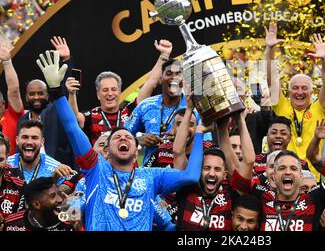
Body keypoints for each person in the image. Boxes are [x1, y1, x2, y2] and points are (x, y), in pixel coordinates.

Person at [36, 49, 203, 231]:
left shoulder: (151, 177)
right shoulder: (94, 171)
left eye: (128, 137)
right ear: (106, 150)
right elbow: (72, 128)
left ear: (135, 149)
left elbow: (191, 176)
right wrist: (56, 92)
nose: (123, 136)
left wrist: (200, 131)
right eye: (116, 137)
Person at [236, 114, 325, 231]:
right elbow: (243, 165)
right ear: (273, 176)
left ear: (301, 175)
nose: (288, 172)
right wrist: (236, 122)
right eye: (281, 168)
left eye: (293, 168)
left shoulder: (314, 200)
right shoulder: (262, 195)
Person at [66, 39, 173, 146]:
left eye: (114, 89)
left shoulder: (130, 111)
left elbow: (150, 83)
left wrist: (164, 56)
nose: (110, 93)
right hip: (102, 162)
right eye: (105, 90)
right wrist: (71, 93)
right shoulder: (91, 116)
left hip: (129, 162)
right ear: (98, 95)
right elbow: (74, 119)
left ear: (120, 92)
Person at [265, 22, 325, 180]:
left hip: (310, 178)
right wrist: (269, 49)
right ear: (289, 92)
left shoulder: (319, 108)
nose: (299, 92)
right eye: (295, 88)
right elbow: (270, 79)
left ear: (311, 92)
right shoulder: (282, 105)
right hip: (284, 174)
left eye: (304, 88)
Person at [126, 57, 212, 165]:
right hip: (152, 172)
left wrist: (184, 139)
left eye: (178, 74)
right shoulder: (145, 106)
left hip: (184, 170)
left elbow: (207, 144)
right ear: (161, 79)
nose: (174, 77)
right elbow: (121, 136)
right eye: (169, 73)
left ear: (184, 79)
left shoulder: (196, 107)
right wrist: (138, 140)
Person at [18, 37, 74, 167]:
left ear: (48, 95)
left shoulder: (56, 110)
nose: (36, 97)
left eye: (40, 93)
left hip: (58, 173)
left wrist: (66, 60)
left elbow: (66, 91)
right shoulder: (22, 121)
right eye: (32, 94)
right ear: (26, 97)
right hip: (30, 175)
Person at [3, 176, 75, 231]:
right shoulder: (11, 224)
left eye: (59, 194)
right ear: (36, 205)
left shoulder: (70, 222)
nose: (60, 199)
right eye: (52, 196)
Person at [0, 43, 24, 152]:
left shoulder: (12, 115)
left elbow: (14, 90)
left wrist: (7, 62)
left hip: (11, 168)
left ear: (3, 104)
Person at [0, 135, 25, 228]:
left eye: (0, 160)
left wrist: (6, 224)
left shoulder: (17, 179)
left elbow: (23, 218)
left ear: (7, 158)